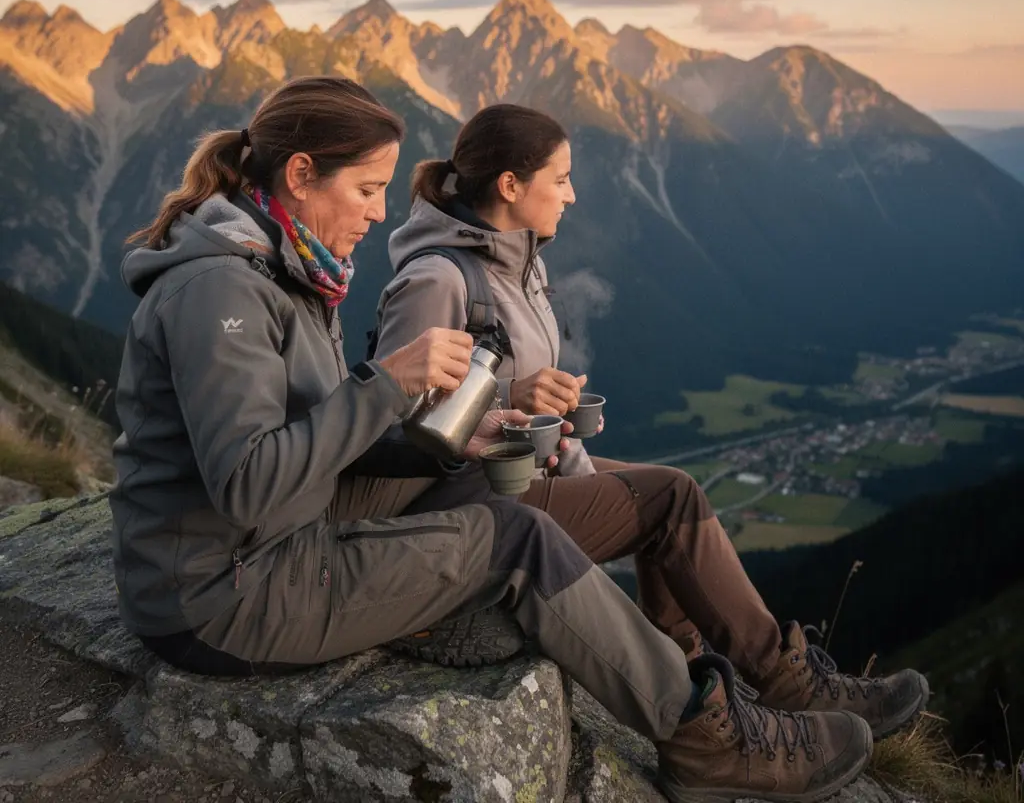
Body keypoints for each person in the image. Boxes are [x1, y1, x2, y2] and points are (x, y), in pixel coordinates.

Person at [109, 76, 872, 803]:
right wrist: (387, 384)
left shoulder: (287, 267)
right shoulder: (221, 290)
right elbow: (247, 482)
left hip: (281, 533)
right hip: (221, 596)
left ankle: (710, 683)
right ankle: (702, 736)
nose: (379, 213)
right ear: (302, 174)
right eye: (367, 189)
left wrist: (453, 441)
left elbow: (310, 438)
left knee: (468, 474)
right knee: (517, 539)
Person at [372, 103, 929, 744]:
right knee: (670, 496)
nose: (572, 195)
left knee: (660, 491)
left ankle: (696, 680)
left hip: (514, 477)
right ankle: (780, 682)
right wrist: (507, 394)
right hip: (464, 507)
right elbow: (395, 417)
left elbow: (511, 411)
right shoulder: (437, 278)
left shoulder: (520, 265)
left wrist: (562, 443)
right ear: (510, 185)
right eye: (561, 179)